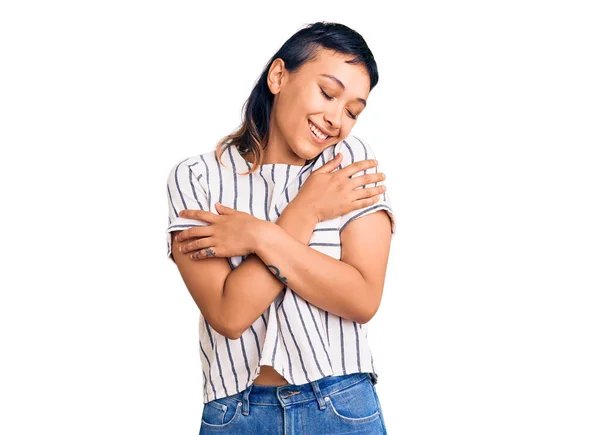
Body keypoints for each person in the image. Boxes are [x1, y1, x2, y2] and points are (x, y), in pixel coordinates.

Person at [165, 21, 396, 434]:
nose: (336, 119)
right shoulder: (197, 178)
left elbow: (362, 298)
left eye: (352, 111)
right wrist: (306, 210)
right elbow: (230, 313)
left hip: (342, 406)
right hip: (236, 414)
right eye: (327, 93)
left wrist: (257, 234)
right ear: (278, 76)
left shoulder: (349, 163)